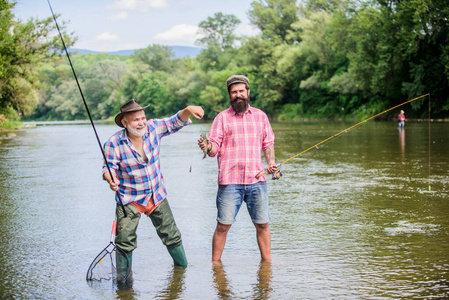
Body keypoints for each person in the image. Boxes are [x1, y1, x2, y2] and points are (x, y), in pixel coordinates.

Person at [103, 99, 204, 282]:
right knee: (124, 243)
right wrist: (112, 180)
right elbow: (107, 169)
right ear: (125, 122)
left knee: (172, 235)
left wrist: (188, 110)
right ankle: (124, 285)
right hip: (129, 199)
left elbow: (175, 121)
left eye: (142, 118)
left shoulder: (153, 127)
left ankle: (182, 272)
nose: (141, 122)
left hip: (156, 194)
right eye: (135, 120)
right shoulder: (113, 143)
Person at [198, 75, 277, 263]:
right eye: (234, 92)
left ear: (248, 92)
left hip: (256, 179)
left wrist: (271, 162)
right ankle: (215, 264)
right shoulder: (221, 118)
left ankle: (267, 264)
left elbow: (268, 143)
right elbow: (214, 148)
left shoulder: (261, 116)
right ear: (229, 95)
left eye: (241, 91)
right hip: (229, 181)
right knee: (223, 226)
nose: (238, 95)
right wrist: (207, 147)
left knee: (263, 225)